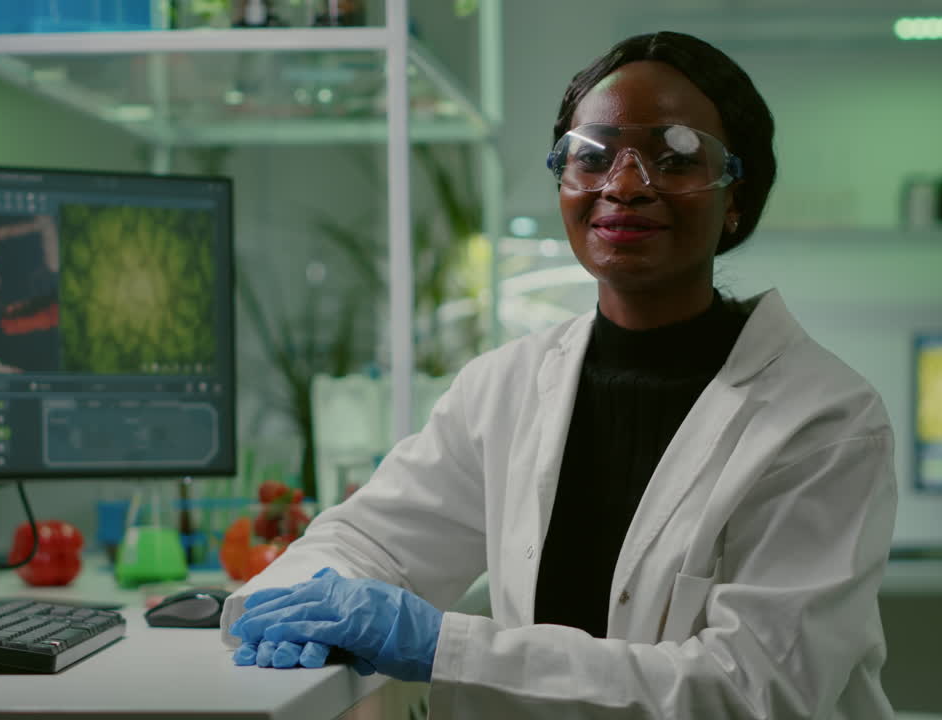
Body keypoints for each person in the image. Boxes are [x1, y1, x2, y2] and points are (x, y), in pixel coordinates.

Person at [222, 31, 898, 719]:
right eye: (591, 156)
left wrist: (442, 647)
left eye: (677, 157)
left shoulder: (826, 419)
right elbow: (366, 540)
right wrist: (295, 607)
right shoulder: (504, 388)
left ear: (735, 199)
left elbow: (756, 692)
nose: (626, 185)